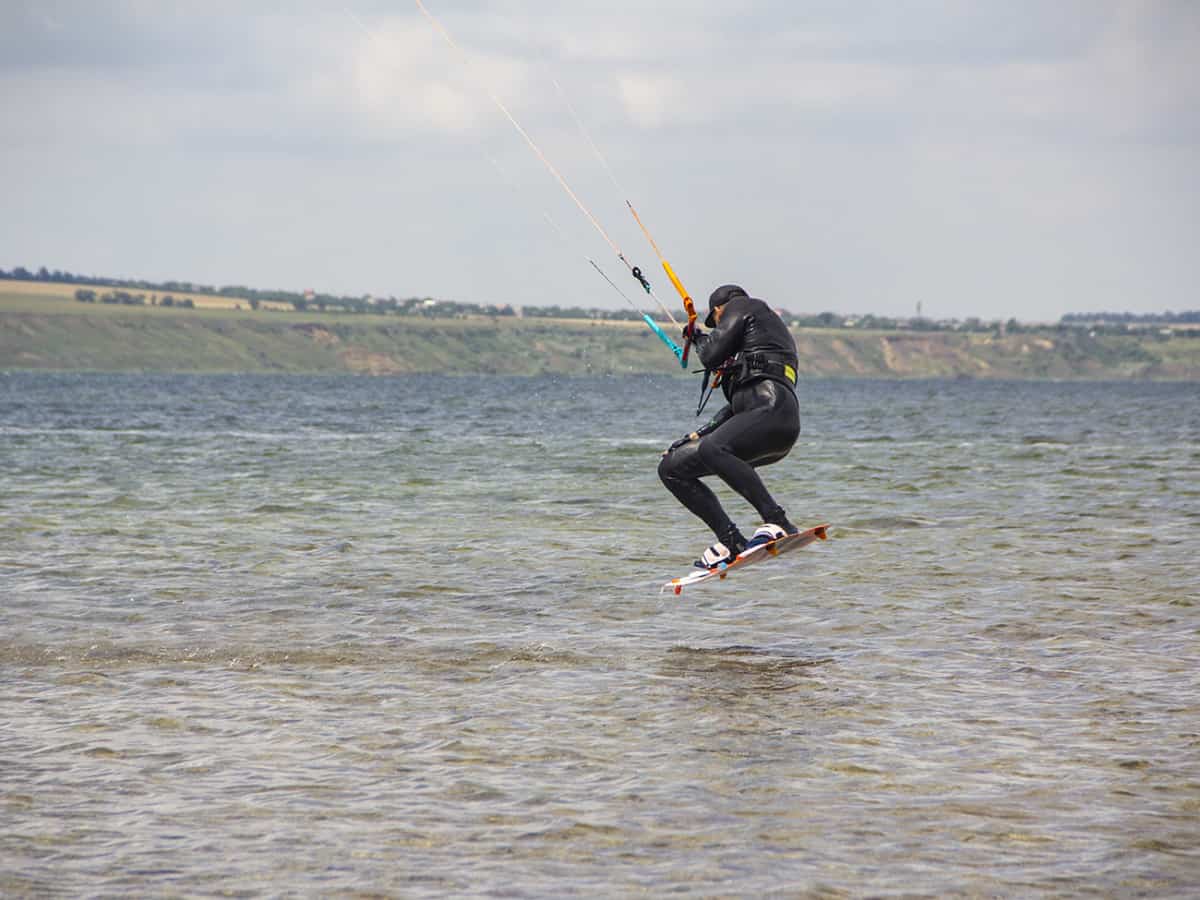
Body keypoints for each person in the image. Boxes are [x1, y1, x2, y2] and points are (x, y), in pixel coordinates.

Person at [658, 284, 801, 569]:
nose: (719, 328)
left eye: (717, 322)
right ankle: (731, 541)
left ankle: (778, 522)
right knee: (672, 469)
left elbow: (710, 354)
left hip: (773, 411)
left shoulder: (745, 305)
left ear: (719, 309)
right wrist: (696, 435)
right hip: (761, 424)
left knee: (714, 448)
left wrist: (699, 337)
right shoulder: (747, 350)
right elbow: (735, 410)